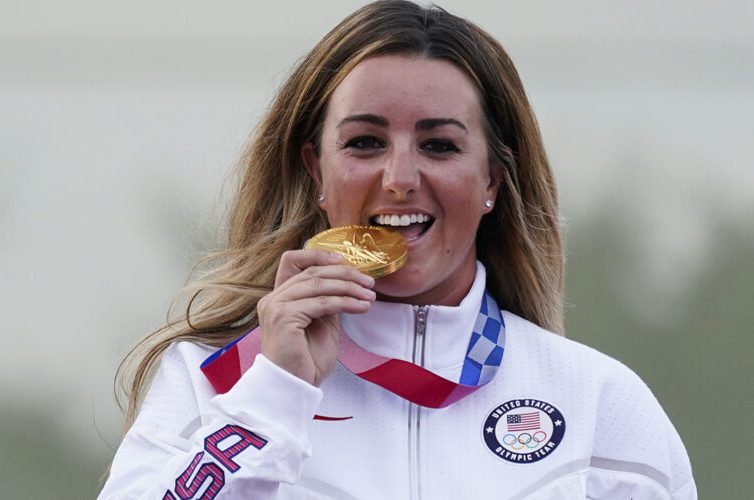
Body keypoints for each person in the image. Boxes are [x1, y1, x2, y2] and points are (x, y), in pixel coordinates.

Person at [99, 1, 696, 498]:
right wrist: (273, 395)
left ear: (491, 179)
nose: (399, 178)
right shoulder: (214, 379)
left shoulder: (597, 401)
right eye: (364, 142)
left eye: (438, 145)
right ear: (316, 173)